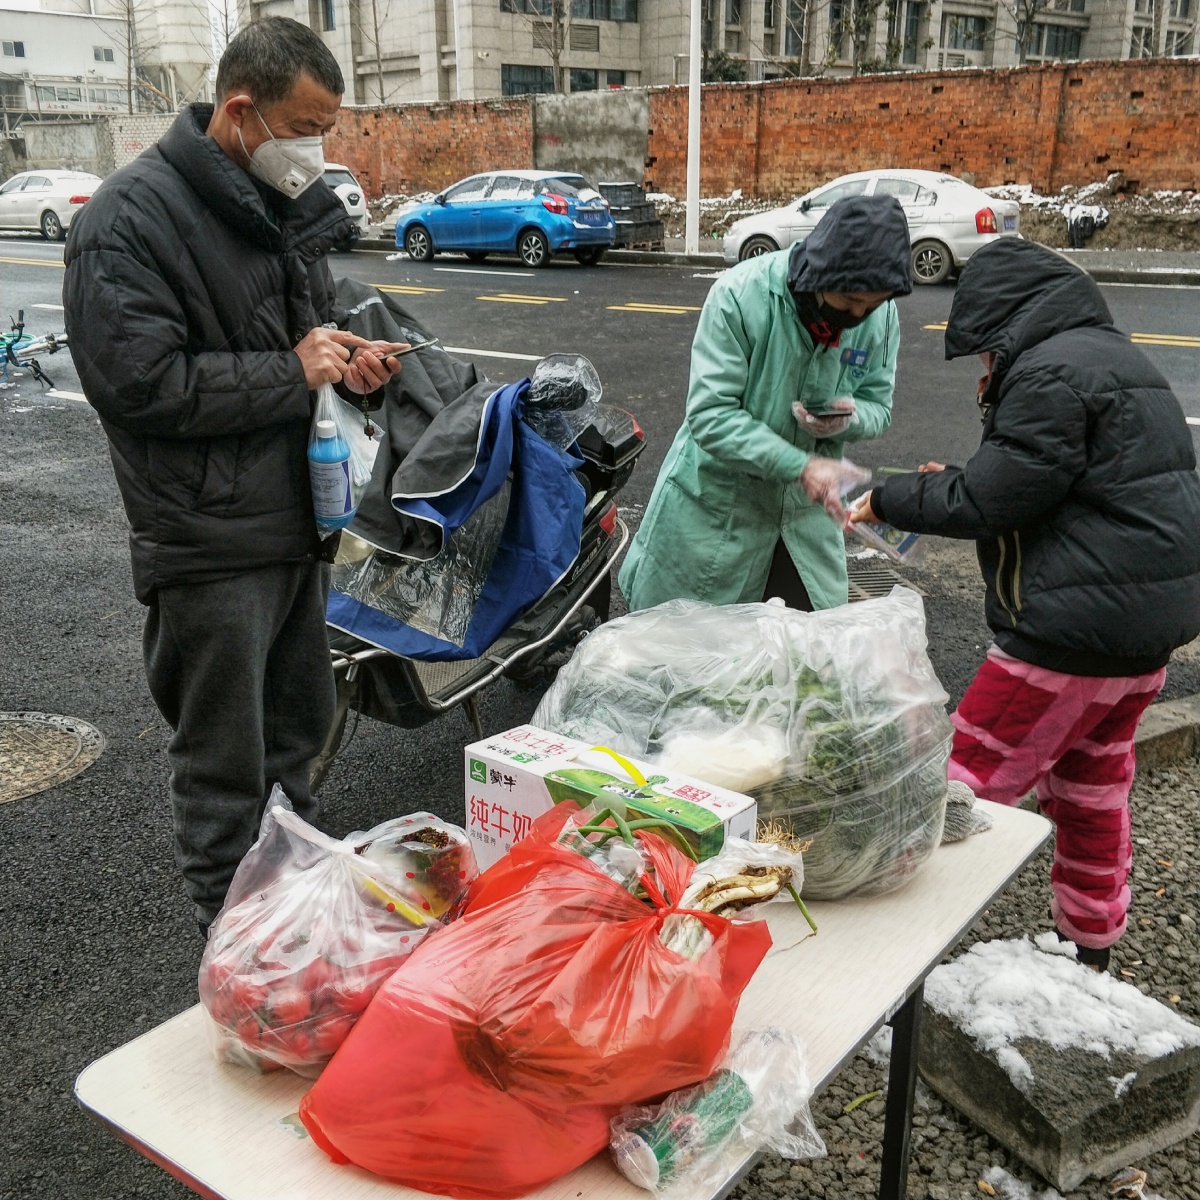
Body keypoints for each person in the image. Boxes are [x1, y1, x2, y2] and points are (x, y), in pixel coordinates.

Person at [63, 18, 409, 935]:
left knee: (297, 747)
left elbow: (299, 344)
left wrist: (343, 364)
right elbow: (139, 386)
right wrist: (291, 371)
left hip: (298, 522)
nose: (316, 150)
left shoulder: (275, 201)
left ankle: (295, 936)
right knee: (226, 770)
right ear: (241, 110)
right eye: (304, 128)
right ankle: (235, 963)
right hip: (209, 543)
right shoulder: (126, 220)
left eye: (327, 129)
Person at [850, 238, 1200, 970]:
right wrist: (957, 478)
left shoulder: (1049, 370)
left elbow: (991, 499)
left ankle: (891, 962)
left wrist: (888, 498)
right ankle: (1089, 943)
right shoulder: (1117, 359)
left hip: (1066, 640)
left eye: (985, 349)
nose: (984, 363)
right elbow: (1058, 488)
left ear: (1006, 323)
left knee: (953, 791)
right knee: (1092, 792)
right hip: (1140, 640)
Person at [618, 194, 912, 613]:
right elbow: (711, 416)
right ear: (819, 272)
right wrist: (801, 466)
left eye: (872, 306)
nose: (860, 314)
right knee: (691, 642)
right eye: (849, 302)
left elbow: (878, 406)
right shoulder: (739, 296)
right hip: (719, 506)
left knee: (806, 643)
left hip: (805, 518)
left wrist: (847, 417)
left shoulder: (881, 318)